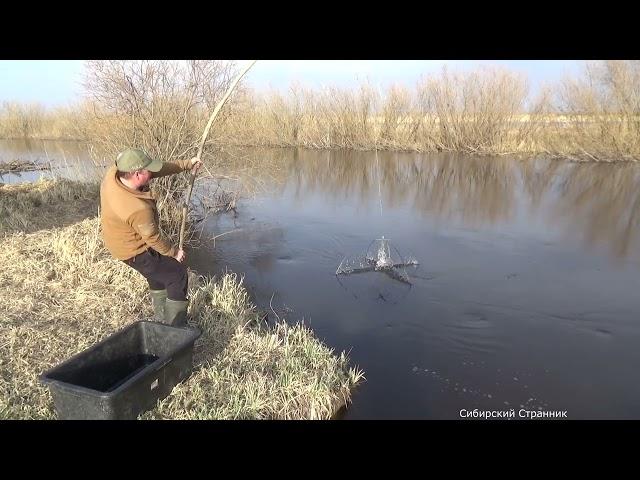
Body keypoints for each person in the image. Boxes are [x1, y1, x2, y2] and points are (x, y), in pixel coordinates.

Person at [100, 148, 202, 326]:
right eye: (148, 170)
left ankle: (161, 315)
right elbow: (153, 238)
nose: (153, 172)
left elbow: (157, 169)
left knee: (156, 272)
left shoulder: (115, 173)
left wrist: (186, 164)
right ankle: (175, 327)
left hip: (118, 238)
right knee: (176, 275)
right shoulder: (136, 208)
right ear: (137, 174)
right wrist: (173, 252)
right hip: (132, 250)